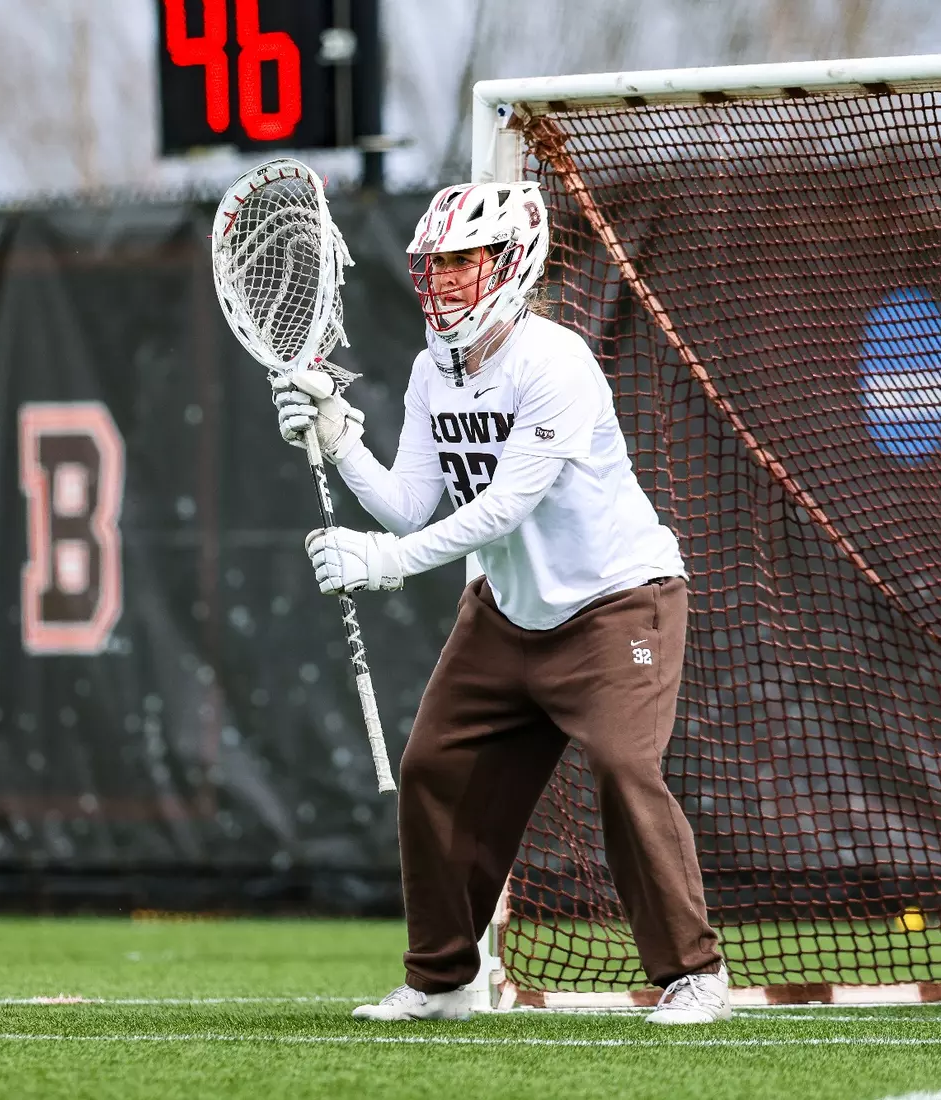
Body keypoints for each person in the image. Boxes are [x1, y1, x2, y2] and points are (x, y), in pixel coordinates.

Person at [272, 182, 729, 1024]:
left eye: (461, 262)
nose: (443, 281)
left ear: (510, 263)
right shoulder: (426, 371)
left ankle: (692, 974)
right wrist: (341, 436)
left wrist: (387, 565)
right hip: (506, 613)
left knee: (625, 769)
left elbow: (502, 507)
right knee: (431, 772)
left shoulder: (555, 362)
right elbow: (409, 502)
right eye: (432, 265)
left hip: (617, 604)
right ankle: (443, 979)